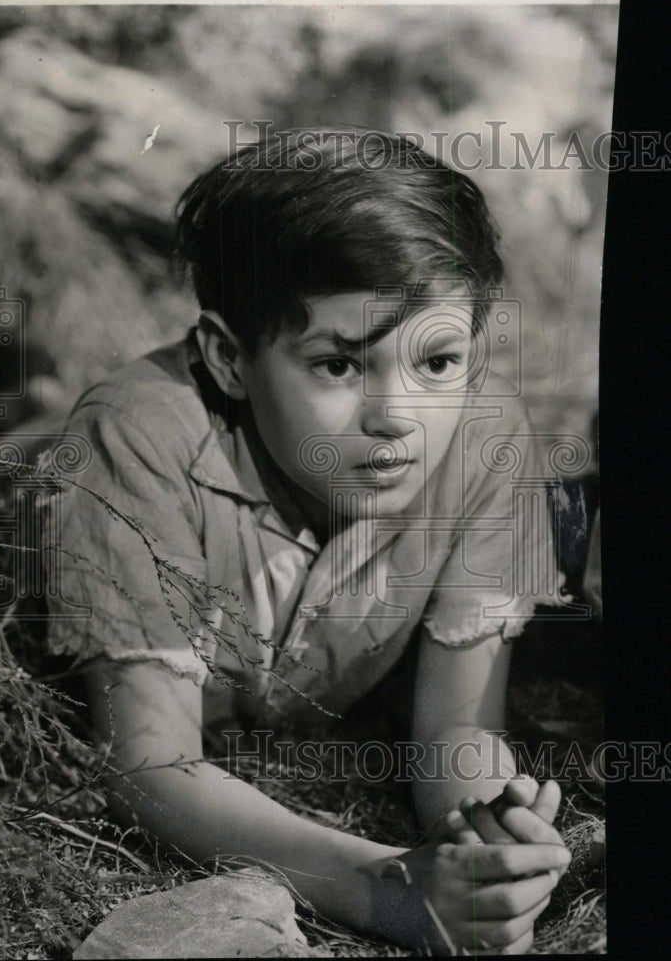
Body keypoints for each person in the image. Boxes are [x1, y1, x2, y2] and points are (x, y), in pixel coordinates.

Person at [46, 127, 570, 954]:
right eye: (338, 365)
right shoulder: (135, 435)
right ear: (227, 358)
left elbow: (455, 729)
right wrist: (384, 888)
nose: (396, 414)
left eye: (437, 362)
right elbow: (148, 763)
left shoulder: (486, 442)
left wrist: (490, 845)